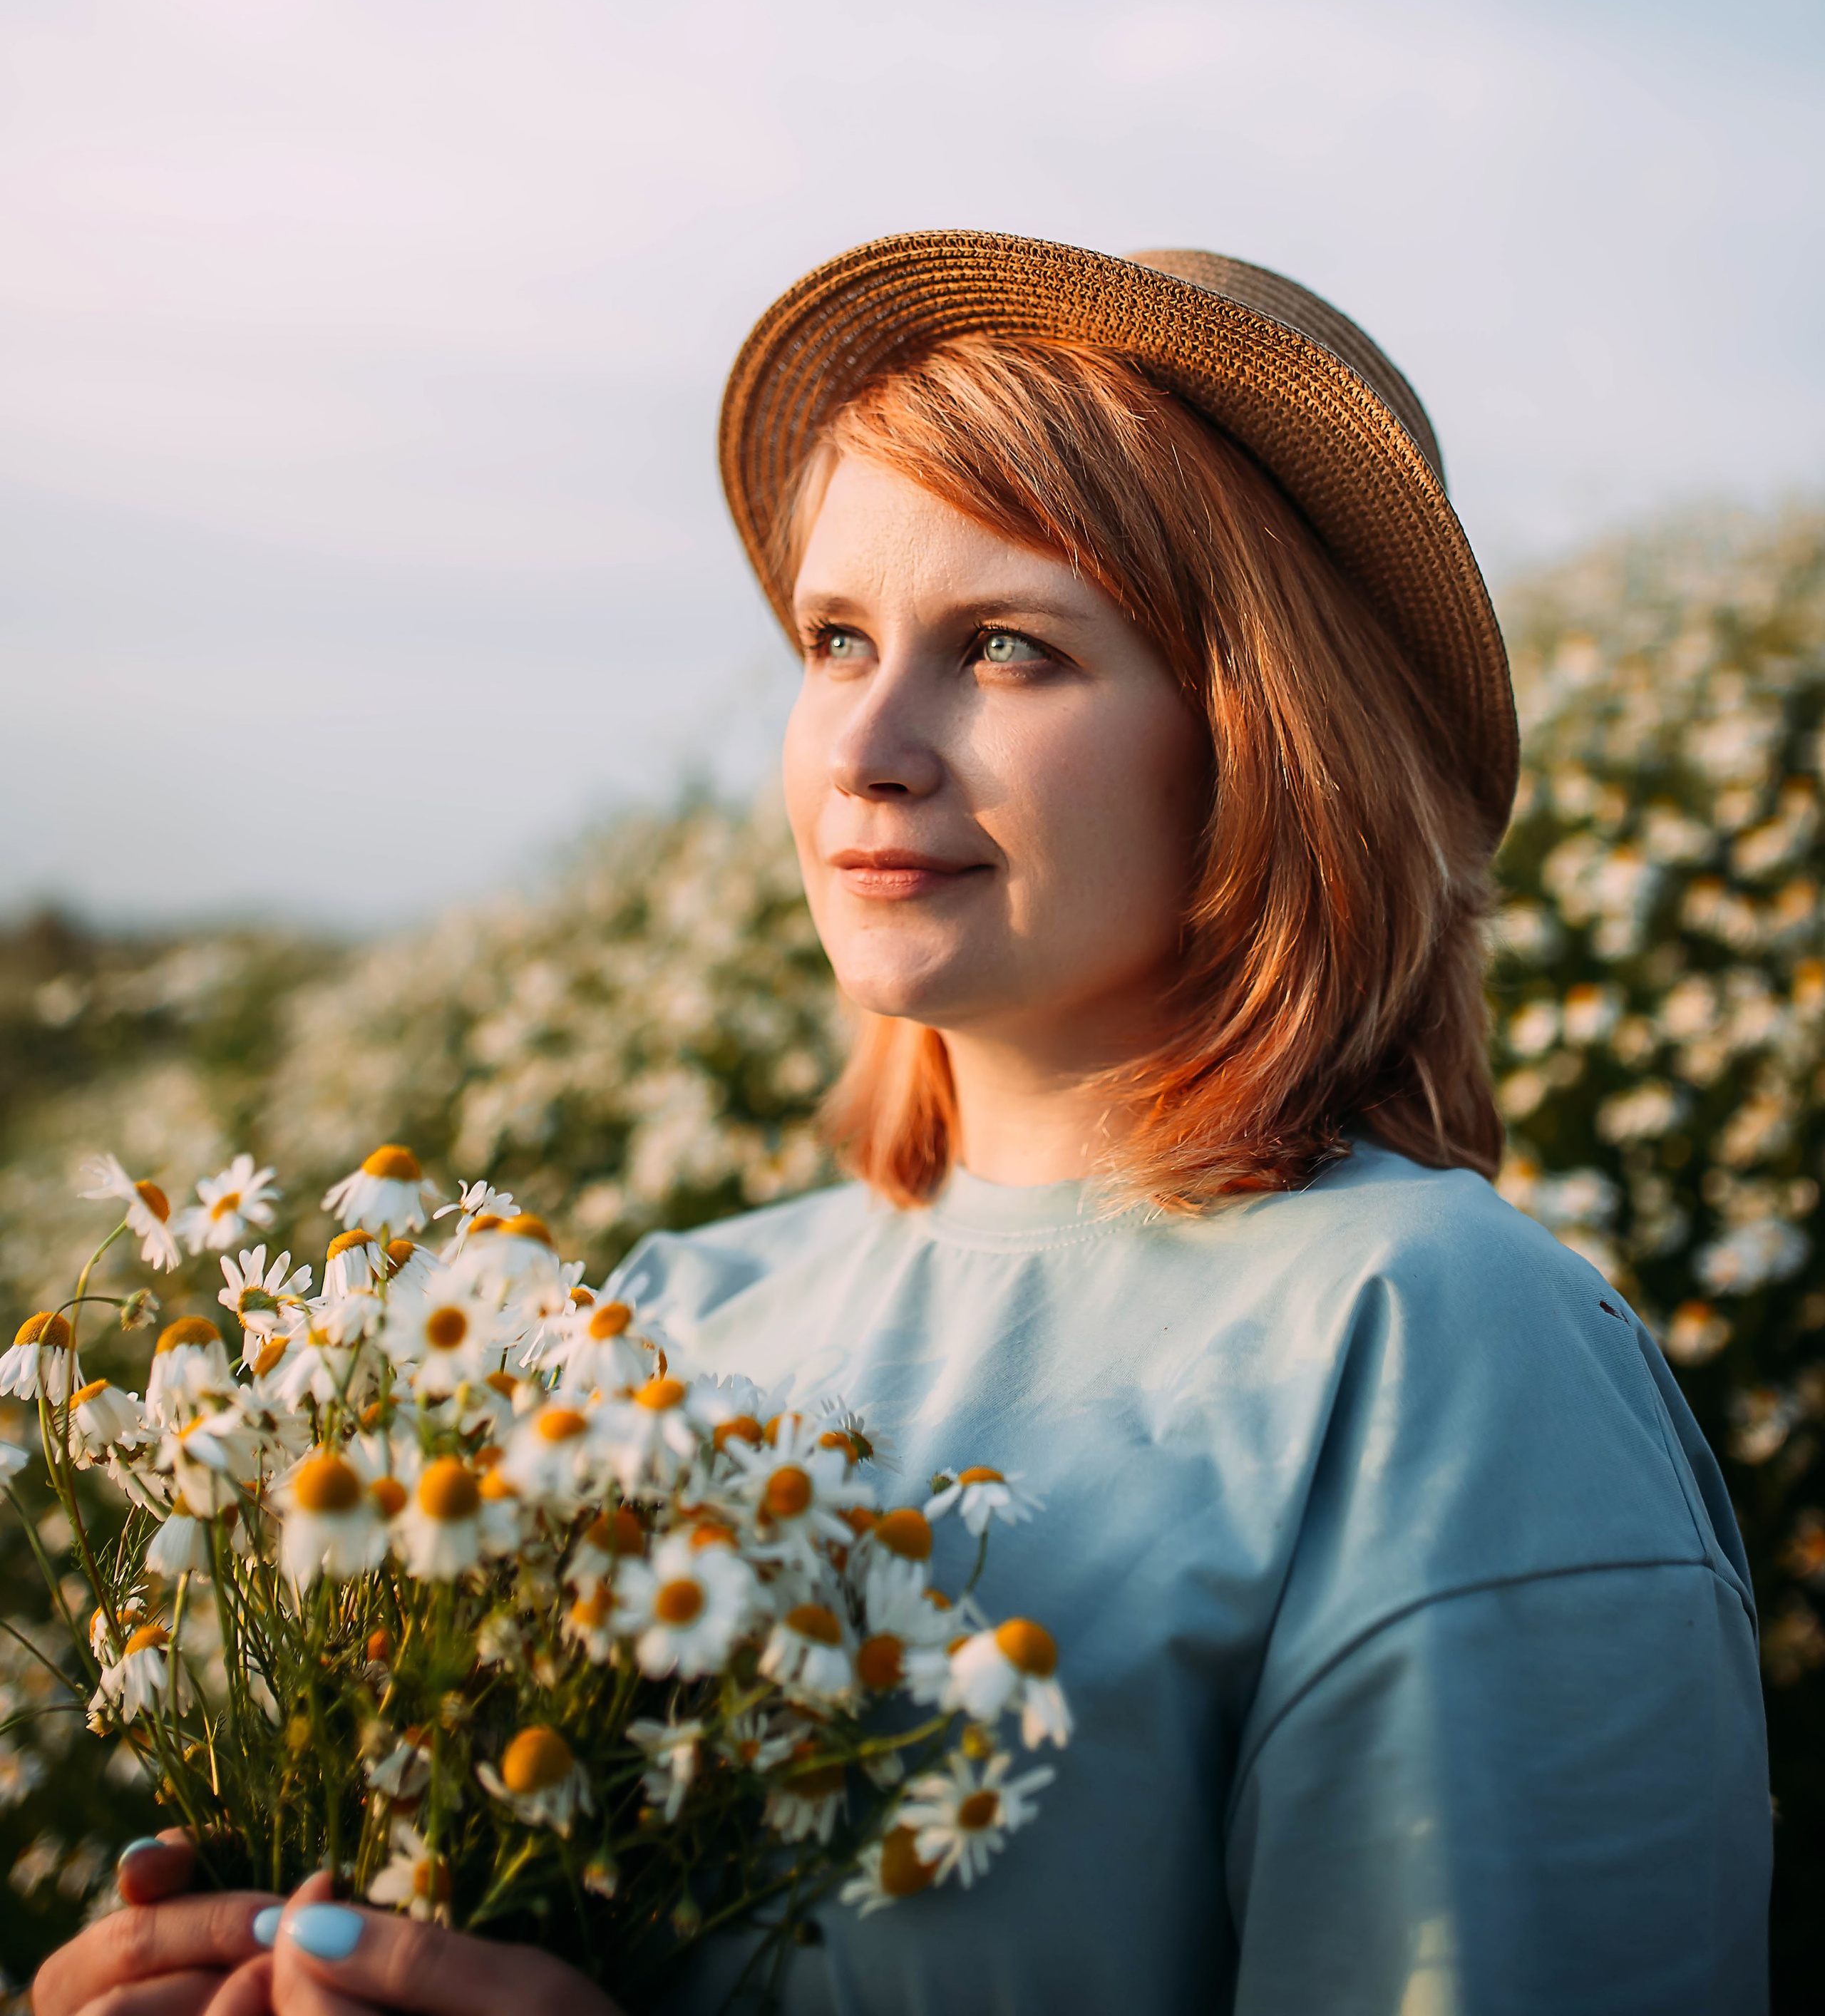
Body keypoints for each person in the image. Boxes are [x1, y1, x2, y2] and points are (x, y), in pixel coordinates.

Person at [37, 234, 1769, 2016]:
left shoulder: (1432, 1339)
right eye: (833, 639)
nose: (864, 743)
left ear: (1265, 743)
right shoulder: (667, 1319)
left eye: (1009, 649)